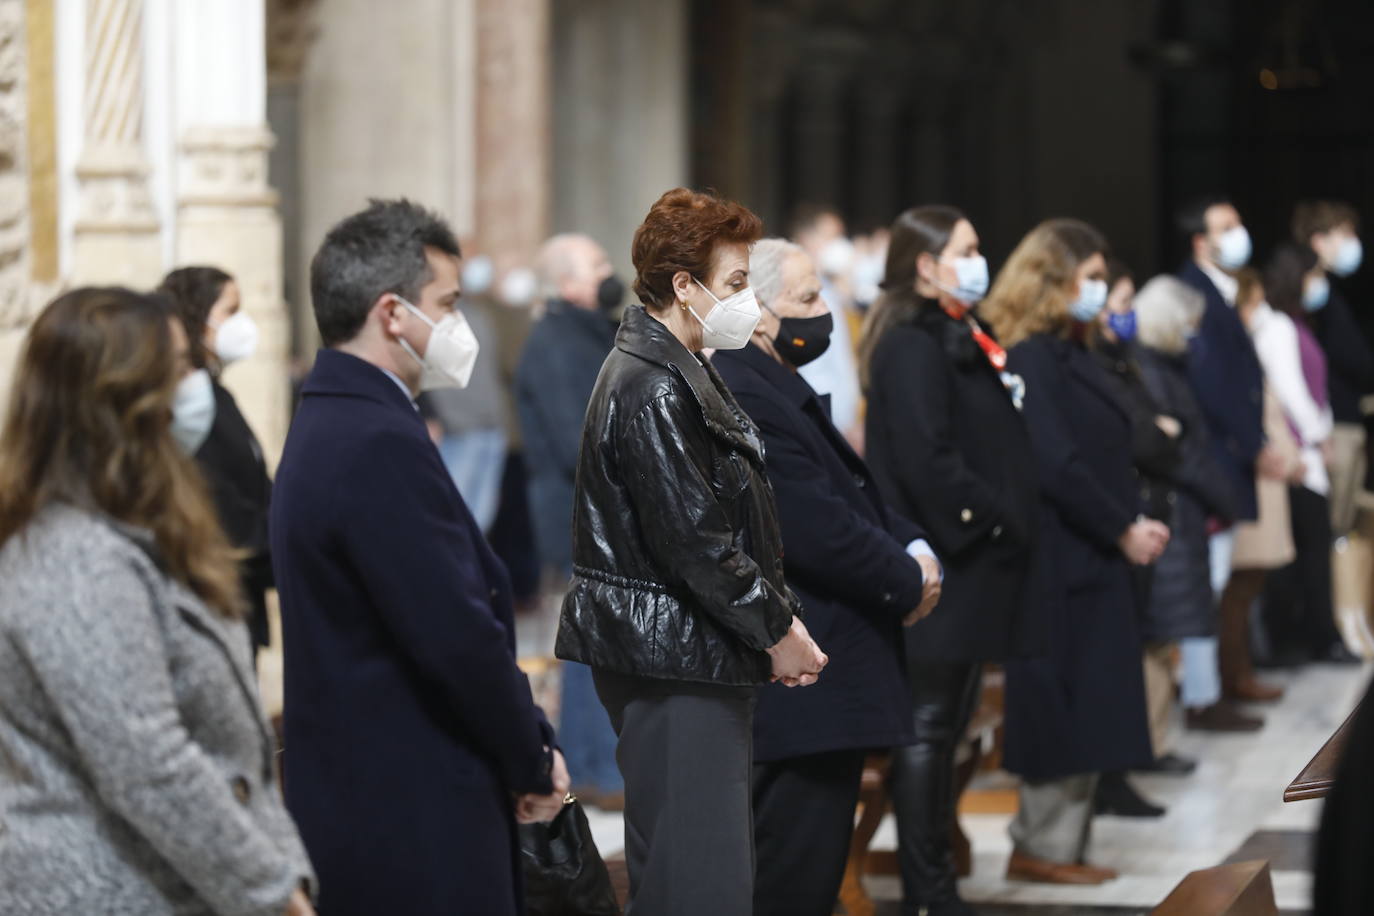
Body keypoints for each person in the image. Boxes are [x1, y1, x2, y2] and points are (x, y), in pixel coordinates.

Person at [271, 199, 568, 916]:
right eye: (448, 303)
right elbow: (453, 631)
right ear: (393, 313)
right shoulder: (373, 440)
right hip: (410, 801)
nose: (458, 323)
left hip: (373, 788)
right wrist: (529, 756)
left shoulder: (335, 416)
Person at [0, 287, 315, 915]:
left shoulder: (139, 524)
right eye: (177, 366)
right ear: (123, 399)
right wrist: (274, 892)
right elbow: (148, 763)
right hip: (106, 889)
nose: (193, 382)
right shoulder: (72, 557)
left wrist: (280, 867)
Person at [556, 188, 828, 916]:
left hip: (688, 651)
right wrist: (777, 629)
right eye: (737, 283)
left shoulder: (679, 365)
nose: (747, 301)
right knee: (697, 883)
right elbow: (696, 541)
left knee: (698, 869)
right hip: (672, 660)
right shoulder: (650, 384)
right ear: (685, 285)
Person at [712, 238, 941, 916]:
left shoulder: (774, 379)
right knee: (791, 879)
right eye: (807, 300)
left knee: (809, 874)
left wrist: (915, 549)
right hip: (802, 681)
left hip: (819, 676)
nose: (823, 314)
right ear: (755, 312)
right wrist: (907, 580)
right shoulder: (747, 388)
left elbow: (852, 494)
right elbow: (815, 527)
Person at [860, 205, 1039, 913]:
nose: (978, 258)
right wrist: (994, 517)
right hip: (941, 566)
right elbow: (927, 459)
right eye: (965, 249)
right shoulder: (909, 343)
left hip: (973, 567)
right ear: (926, 266)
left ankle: (940, 877)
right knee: (929, 730)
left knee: (951, 726)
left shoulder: (963, 330)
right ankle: (927, 888)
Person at [980, 218, 1166, 884]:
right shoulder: (1031, 354)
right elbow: (1054, 461)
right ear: (1052, 282)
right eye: (1088, 278)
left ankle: (1066, 844)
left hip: (1094, 555)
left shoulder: (1072, 349)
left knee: (1097, 699)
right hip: (1064, 556)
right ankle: (1042, 846)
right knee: (1067, 701)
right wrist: (1121, 526)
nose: (1100, 289)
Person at [517, 233, 623, 808]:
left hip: (597, 507)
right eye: (598, 263)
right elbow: (573, 439)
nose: (609, 272)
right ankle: (595, 770)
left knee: (598, 639)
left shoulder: (589, 331)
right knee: (590, 642)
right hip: (576, 511)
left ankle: (600, 767)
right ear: (566, 284)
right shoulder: (555, 342)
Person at [1129, 277, 1246, 763]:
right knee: (1157, 636)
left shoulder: (1163, 367)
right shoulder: (1150, 371)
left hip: (1182, 510)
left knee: (1166, 633)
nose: (1194, 334)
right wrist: (1227, 497)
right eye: (1189, 325)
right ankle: (1152, 746)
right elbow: (1171, 451)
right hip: (1170, 511)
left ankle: (1159, 740)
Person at [1087, 265, 1188, 818]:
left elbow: (1165, 433)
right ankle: (1109, 778)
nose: (1122, 310)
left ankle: (1121, 770)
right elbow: (1144, 436)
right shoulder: (1096, 365)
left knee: (1141, 642)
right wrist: (1163, 434)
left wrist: (1166, 435)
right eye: (1117, 299)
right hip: (1116, 518)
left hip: (1141, 512)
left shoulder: (1126, 362)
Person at [1176, 195, 1275, 731]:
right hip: (1212, 458)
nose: (1238, 232)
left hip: (1224, 456)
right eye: (1226, 226)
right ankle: (1200, 696)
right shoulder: (1194, 290)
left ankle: (1208, 689)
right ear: (1200, 241)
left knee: (1214, 579)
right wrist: (1252, 441)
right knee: (1206, 580)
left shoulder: (1218, 289)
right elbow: (1213, 383)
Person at [158, 266, 275, 661]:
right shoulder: (188, 405)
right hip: (214, 595)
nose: (242, 324)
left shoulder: (215, 396)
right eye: (231, 311)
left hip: (241, 594)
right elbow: (215, 498)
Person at [1255, 244, 1358, 665]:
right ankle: (1314, 638)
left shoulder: (1297, 323)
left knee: (1313, 548)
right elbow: (1289, 389)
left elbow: (1316, 386)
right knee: (1307, 552)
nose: (1320, 285)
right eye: (1313, 275)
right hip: (1297, 453)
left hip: (1312, 446)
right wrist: (1318, 435)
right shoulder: (1277, 326)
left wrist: (1323, 430)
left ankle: (1314, 635)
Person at [1227, 269, 1302, 699]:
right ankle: (1236, 677)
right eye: (1254, 303)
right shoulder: (1232, 353)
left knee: (1249, 587)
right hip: (1252, 480)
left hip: (1268, 474)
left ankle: (1241, 671)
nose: (1261, 312)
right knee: (1239, 591)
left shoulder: (1246, 349)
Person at [1294, 201, 1370, 538]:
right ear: (1318, 241)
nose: (1354, 242)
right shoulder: (1310, 298)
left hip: (1341, 424)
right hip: (1328, 431)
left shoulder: (1329, 294)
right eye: (1345, 234)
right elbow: (1350, 359)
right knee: (1324, 532)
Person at [791, 205, 865, 451]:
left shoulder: (831, 289)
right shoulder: (794, 292)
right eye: (830, 237)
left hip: (841, 420)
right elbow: (812, 366)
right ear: (806, 239)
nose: (839, 246)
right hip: (820, 420)